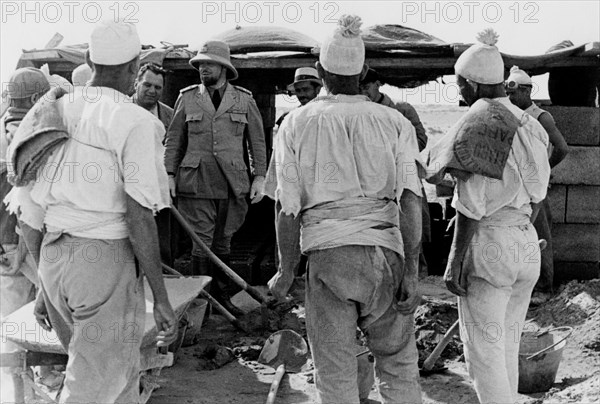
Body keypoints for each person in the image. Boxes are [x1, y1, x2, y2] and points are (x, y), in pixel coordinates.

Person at [9, 20, 178, 403]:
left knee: (114, 376)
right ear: (136, 69)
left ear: (88, 60)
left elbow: (26, 208)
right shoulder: (137, 122)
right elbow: (139, 217)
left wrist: (45, 286)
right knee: (89, 388)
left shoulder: (53, 109)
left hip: (54, 256)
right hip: (103, 261)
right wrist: (161, 297)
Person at [269, 15, 423, 404]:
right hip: (387, 253)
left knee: (335, 373)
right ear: (365, 71)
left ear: (320, 71)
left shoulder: (295, 124)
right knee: (399, 366)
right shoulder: (394, 122)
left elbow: (287, 207)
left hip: (329, 258)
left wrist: (286, 271)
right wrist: (412, 271)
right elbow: (409, 199)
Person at [428, 29, 550, 403]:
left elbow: (471, 203)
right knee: (505, 345)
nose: (459, 92)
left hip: (490, 242)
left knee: (484, 352)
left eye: (460, 84)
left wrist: (454, 259)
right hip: (524, 240)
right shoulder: (531, 124)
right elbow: (539, 192)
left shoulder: (481, 122)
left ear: (472, 83)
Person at [164, 40, 267, 316]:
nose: (202, 68)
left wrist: (260, 177)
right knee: (201, 242)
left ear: (223, 67)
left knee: (223, 241)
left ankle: (222, 295)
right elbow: (174, 140)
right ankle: (203, 300)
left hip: (233, 184)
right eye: (199, 64)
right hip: (196, 183)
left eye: (208, 63)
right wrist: (170, 174)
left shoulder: (243, 99)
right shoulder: (187, 97)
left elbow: (257, 142)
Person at [0, 67, 64, 389]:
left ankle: (19, 386)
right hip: (28, 238)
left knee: (12, 319)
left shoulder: (5, 130)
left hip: (7, 241)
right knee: (47, 302)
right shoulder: (35, 132)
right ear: (39, 98)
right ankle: (47, 373)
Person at [506, 65, 569, 305]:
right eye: (507, 93)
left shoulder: (541, 117)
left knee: (540, 235)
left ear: (527, 91)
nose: (510, 97)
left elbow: (562, 148)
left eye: (514, 92)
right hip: (514, 188)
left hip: (535, 190)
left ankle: (544, 288)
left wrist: (544, 172)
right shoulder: (510, 115)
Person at [263, 67, 322, 280]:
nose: (302, 95)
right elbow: (279, 161)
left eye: (306, 89)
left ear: (318, 89)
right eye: (298, 91)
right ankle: (286, 281)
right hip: (292, 186)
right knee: (287, 238)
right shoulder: (289, 119)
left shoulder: (327, 117)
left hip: (319, 190)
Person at [359, 68, 427, 151]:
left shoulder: (403, 109)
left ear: (377, 84)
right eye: (359, 89)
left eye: (366, 87)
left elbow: (421, 140)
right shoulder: (358, 114)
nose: (363, 92)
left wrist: (393, 153)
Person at [134, 62, 174, 135]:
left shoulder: (172, 117)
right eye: (147, 85)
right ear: (136, 85)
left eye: (157, 87)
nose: (152, 91)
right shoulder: (119, 111)